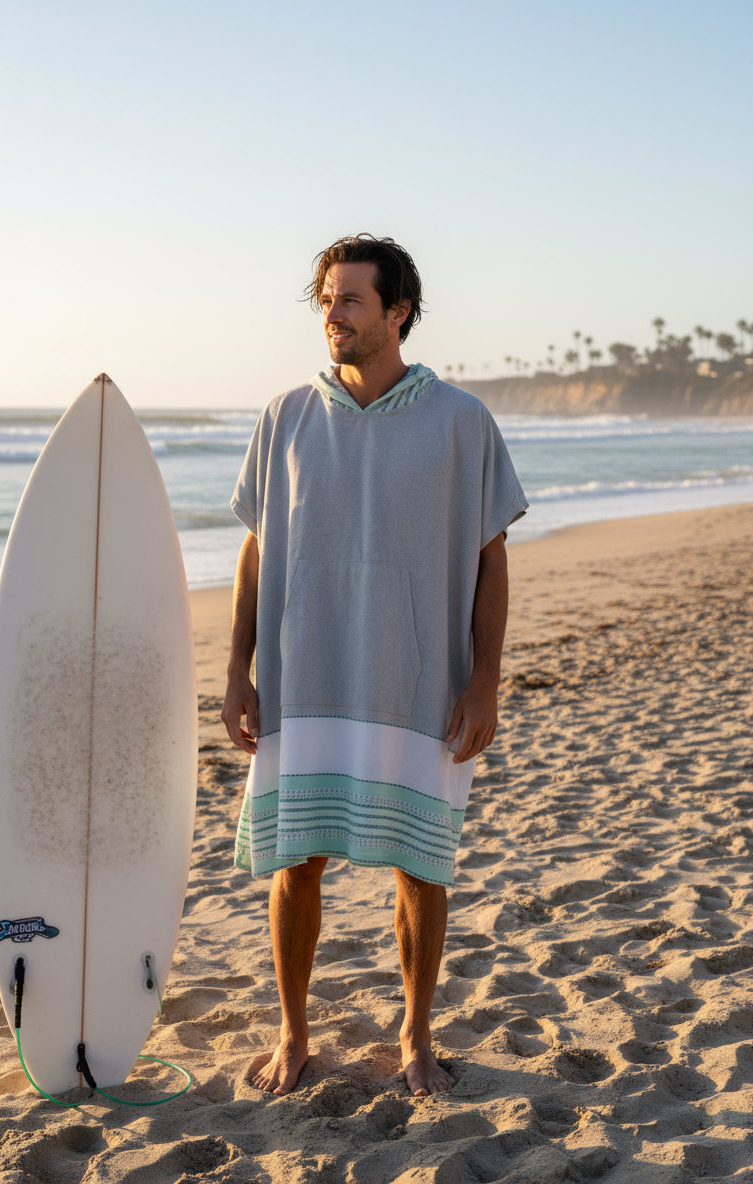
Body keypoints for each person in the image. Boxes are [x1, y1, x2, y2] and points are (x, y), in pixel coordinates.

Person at [222, 234, 528, 1098]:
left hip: (417, 679)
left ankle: (416, 1037)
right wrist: (238, 669)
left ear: (398, 313)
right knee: (297, 863)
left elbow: (491, 553)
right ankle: (293, 1033)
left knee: (420, 866)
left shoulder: (460, 421)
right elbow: (254, 551)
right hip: (304, 678)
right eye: (325, 297)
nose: (333, 313)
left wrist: (484, 679)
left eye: (351, 299)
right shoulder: (285, 415)